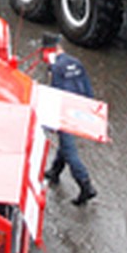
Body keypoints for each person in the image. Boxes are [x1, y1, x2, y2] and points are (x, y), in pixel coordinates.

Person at [40, 32, 98, 206]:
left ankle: (86, 185)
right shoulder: (76, 62)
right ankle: (55, 171)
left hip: (65, 112)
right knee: (66, 146)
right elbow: (88, 88)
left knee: (69, 150)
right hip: (80, 110)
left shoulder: (56, 68)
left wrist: (51, 121)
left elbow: (56, 94)